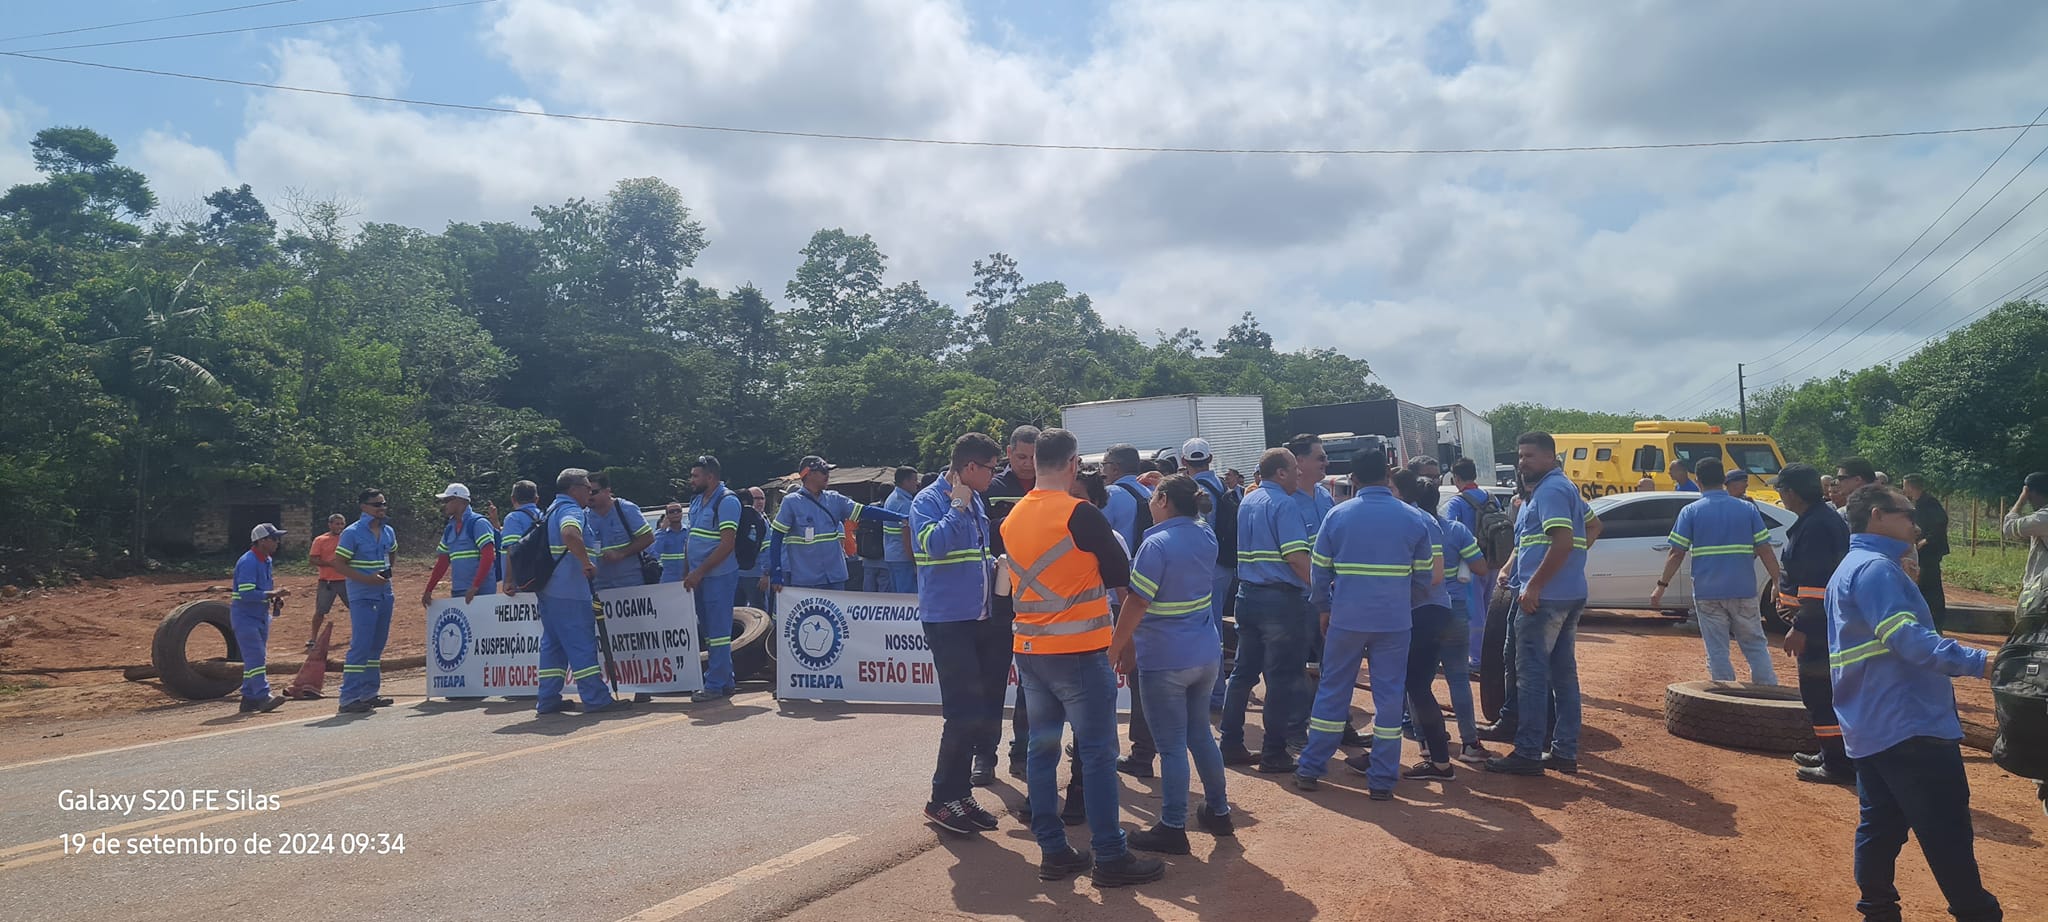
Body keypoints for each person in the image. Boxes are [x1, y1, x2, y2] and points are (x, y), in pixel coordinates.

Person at [1828, 484, 2000, 921]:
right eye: (1907, 513)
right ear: (1877, 517)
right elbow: (1908, 640)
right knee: (1946, 831)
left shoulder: (1852, 567)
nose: (1916, 522)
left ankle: (1877, 911)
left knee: (1880, 825)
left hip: (1871, 723)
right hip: (1910, 723)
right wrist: (1982, 662)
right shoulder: (1877, 570)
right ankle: (1975, 912)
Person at [1002, 428, 1163, 887]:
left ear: (1035, 463)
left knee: (1041, 751)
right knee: (1096, 754)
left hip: (1030, 652)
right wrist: (1123, 646)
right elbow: (1124, 585)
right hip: (1078, 653)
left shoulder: (1012, 519)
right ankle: (1110, 856)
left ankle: (1054, 852)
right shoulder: (1082, 515)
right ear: (1073, 464)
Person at [1293, 451, 1437, 798]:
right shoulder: (1413, 518)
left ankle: (1311, 768)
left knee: (1334, 690)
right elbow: (1425, 576)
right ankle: (1383, 780)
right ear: (1388, 475)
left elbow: (1320, 570)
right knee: (1389, 697)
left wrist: (1324, 608)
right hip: (1394, 620)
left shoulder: (1337, 515)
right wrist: (1405, 603)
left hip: (1347, 617)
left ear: (1353, 479)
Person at [1108, 474, 1234, 854]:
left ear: (1163, 499)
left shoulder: (1155, 544)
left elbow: (1136, 602)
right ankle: (1219, 810)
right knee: (1200, 735)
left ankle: (1172, 825)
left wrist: (1115, 648)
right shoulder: (1204, 534)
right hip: (1204, 653)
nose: (1148, 502)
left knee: (1172, 745)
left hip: (1164, 658)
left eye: (1151, 496)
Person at [914, 434, 1002, 835]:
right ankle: (940, 799)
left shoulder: (979, 500)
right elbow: (933, 546)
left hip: (978, 618)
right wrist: (957, 502)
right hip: (948, 621)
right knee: (962, 713)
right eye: (990, 467)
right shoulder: (929, 501)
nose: (994, 474)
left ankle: (960, 795)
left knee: (977, 712)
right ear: (969, 469)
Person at [1487, 432, 1590, 776]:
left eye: (1530, 456)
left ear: (1550, 458)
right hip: (1565, 592)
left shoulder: (1551, 490)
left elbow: (1561, 541)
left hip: (1544, 598)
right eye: (1520, 456)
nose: (1522, 462)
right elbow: (1593, 526)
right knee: (1562, 675)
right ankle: (1563, 751)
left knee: (1530, 675)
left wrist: (1535, 585)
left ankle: (1529, 752)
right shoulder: (1557, 489)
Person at [1219, 448, 1315, 774]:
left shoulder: (1249, 500)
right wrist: (1322, 588)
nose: (1300, 475)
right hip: (1280, 600)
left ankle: (1230, 742)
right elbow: (1296, 557)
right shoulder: (1284, 504)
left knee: (1243, 673)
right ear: (1281, 473)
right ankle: (1274, 752)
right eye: (1294, 470)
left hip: (1247, 596)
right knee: (1281, 677)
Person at [1650, 458, 1782, 685]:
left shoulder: (1690, 511)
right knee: (1755, 645)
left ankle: (1724, 700)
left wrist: (1661, 587)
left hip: (1707, 593)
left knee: (1717, 649)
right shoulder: (1747, 509)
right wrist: (1778, 581)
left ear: (1698, 481)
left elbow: (1676, 553)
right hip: (1743, 590)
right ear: (1723, 480)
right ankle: (1768, 693)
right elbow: (1765, 549)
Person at [1385, 469, 1468, 783]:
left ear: (1403, 492)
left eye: (1390, 487)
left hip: (1422, 613)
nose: (1386, 491)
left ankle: (1427, 759)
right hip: (1433, 612)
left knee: (1406, 686)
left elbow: (1432, 575)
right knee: (1416, 688)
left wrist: (1393, 590)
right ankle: (1439, 761)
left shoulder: (1414, 520)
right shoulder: (1423, 520)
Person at [1775, 463, 1856, 785]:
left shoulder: (1817, 526)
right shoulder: (1816, 521)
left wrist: (1802, 627)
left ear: (1791, 492)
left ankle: (1837, 764)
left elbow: (1818, 585)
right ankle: (1829, 752)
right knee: (1822, 694)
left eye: (1781, 489)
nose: (1779, 495)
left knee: (1820, 694)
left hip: (1819, 629)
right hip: (1820, 624)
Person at [1411, 470, 1495, 764]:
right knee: (1459, 679)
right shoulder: (1456, 531)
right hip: (1455, 611)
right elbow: (1482, 569)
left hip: (1421, 612)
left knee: (1418, 682)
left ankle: (1424, 741)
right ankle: (1470, 742)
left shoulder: (1412, 529)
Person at [532, 468, 627, 715]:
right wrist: (586, 561)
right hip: (570, 591)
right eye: (587, 488)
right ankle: (596, 699)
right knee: (581, 645)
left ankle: (548, 699)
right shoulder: (571, 510)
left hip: (550, 591)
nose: (590, 492)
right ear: (573, 489)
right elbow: (570, 533)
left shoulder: (550, 509)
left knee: (553, 647)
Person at [765, 455, 906, 594]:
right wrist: (776, 572)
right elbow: (776, 538)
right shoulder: (791, 502)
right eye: (824, 472)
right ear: (810, 474)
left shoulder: (834, 499)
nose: (828, 475)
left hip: (835, 576)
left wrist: (900, 517)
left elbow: (865, 511)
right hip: (806, 578)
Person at [1182, 438, 1238, 712]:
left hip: (1210, 567)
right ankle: (1215, 692)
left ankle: (1216, 695)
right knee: (1214, 629)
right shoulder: (1221, 485)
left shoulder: (1197, 490)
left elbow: (1200, 532)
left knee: (1210, 631)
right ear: (1210, 458)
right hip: (1225, 566)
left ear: (1183, 462)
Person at [333, 489, 398, 715]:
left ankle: (369, 693)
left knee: (376, 646)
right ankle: (348, 697)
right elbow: (339, 564)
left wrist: (385, 573)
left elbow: (392, 553)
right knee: (360, 646)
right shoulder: (352, 533)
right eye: (376, 504)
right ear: (363, 507)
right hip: (363, 596)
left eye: (383, 503)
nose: (381, 508)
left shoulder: (388, 531)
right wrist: (367, 579)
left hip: (384, 595)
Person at [685, 456, 743, 702]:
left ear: (710, 477)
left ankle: (715, 684)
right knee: (709, 631)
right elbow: (692, 539)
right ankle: (725, 679)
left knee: (718, 632)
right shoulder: (697, 501)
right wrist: (687, 571)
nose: (691, 480)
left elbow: (727, 545)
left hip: (717, 576)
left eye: (695, 476)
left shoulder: (727, 501)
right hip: (699, 577)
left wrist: (699, 571)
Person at [231, 523, 291, 713]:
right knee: (255, 657)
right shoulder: (248, 561)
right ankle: (263, 696)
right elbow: (246, 593)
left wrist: (274, 597)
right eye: (274, 539)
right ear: (262, 541)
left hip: (260, 616)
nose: (277, 542)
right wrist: (272, 593)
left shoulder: (266, 560)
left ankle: (249, 698)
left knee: (256, 658)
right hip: (245, 617)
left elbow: (263, 589)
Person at [1444, 458, 1494, 671]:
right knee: (1490, 610)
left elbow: (1448, 531)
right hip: (1493, 561)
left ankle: (1477, 658)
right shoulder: (1490, 498)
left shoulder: (1456, 502)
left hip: (1469, 565)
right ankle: (1492, 654)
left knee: (1475, 612)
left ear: (1456, 478)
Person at [421, 484, 497, 606]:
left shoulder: (479, 523)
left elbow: (488, 556)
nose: (444, 504)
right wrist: (429, 589)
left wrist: (475, 586)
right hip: (459, 590)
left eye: (447, 500)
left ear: (459, 501)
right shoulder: (449, 529)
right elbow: (443, 562)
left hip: (481, 592)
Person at [584, 471, 655, 592]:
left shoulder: (626, 509)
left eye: (594, 492)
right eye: (587, 492)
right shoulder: (583, 516)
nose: (590, 496)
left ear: (607, 491)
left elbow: (648, 537)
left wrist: (621, 553)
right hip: (598, 584)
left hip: (630, 581)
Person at [1900, 475, 1950, 630]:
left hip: (1930, 551)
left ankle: (1936, 623)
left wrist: (1926, 540)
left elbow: (1941, 523)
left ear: (1910, 486)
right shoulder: (1916, 503)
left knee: (1932, 587)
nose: (1903, 489)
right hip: (1919, 552)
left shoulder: (1929, 502)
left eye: (1904, 485)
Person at [307, 513, 349, 651]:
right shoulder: (321, 540)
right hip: (327, 581)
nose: (339, 526)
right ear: (330, 524)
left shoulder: (349, 538)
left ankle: (361, 635)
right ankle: (313, 638)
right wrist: (330, 564)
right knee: (320, 611)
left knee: (356, 608)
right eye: (337, 523)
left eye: (342, 524)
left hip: (347, 580)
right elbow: (313, 559)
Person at [1101, 444, 1153, 550]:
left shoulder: (1110, 493)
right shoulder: (1150, 491)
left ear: (1115, 469)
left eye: (1103, 465)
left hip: (1119, 562)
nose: (1101, 470)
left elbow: (1096, 532)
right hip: (1145, 559)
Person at [2005, 472, 2048, 589]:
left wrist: (2021, 499)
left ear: (2032, 493)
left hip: (2042, 589)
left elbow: (2008, 528)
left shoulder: (2043, 518)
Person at [882, 466, 919, 594]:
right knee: (907, 597)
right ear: (905, 482)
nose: (917, 483)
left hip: (891, 555)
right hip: (903, 557)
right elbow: (907, 536)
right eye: (914, 480)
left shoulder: (891, 498)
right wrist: (914, 561)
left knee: (897, 596)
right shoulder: (905, 504)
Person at [734, 487, 770, 610]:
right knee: (738, 614)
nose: (760, 502)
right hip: (737, 575)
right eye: (756, 498)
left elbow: (767, 549)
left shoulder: (762, 521)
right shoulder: (739, 519)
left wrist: (766, 574)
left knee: (757, 614)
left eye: (762, 498)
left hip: (755, 576)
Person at [652, 503, 689, 584]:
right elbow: (655, 553)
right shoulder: (660, 534)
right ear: (666, 516)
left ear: (682, 513)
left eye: (678, 511)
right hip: (668, 579)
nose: (675, 513)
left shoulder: (690, 532)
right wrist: (663, 530)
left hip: (689, 577)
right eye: (671, 511)